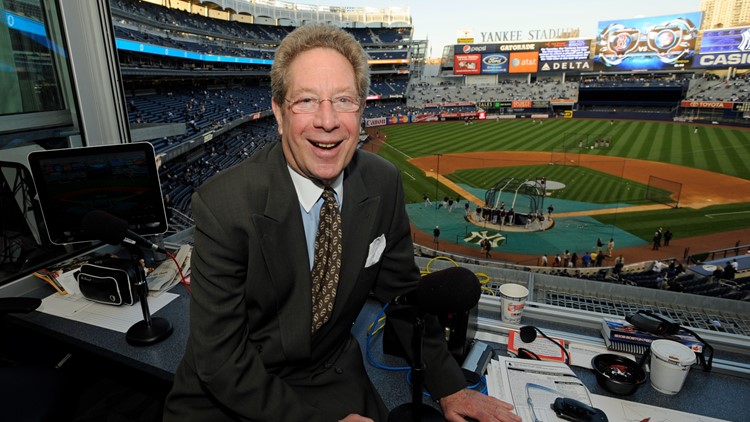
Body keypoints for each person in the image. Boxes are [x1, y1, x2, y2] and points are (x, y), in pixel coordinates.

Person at [164, 25, 518, 422]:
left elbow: (404, 296)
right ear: (279, 113)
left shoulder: (382, 183)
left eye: (343, 100)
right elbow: (222, 361)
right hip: (233, 392)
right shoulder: (224, 205)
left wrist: (449, 385)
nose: (327, 121)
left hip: (329, 376)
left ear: (361, 111)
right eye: (307, 101)